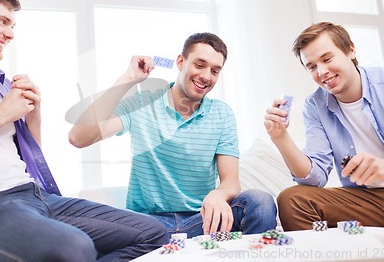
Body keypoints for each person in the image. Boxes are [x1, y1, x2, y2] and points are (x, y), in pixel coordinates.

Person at [0, 0, 168, 262]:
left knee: (154, 234)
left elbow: (25, 155)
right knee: (72, 248)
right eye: (3, 21)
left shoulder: (2, 82)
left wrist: (33, 117)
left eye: (12, 26)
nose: (10, 34)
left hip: (36, 195)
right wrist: (1, 114)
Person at [69, 32, 277, 238]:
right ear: (180, 61)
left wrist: (218, 194)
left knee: (260, 201)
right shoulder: (142, 103)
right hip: (150, 226)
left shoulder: (221, 113)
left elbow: (231, 182)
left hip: (202, 222)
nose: (206, 76)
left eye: (215, 71)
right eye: (199, 65)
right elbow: (78, 137)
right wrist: (127, 79)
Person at [264, 22, 384, 253]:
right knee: (292, 200)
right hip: (367, 201)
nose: (321, 72)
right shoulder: (315, 105)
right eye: (311, 66)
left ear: (350, 50)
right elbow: (314, 178)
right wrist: (280, 138)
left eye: (327, 59)